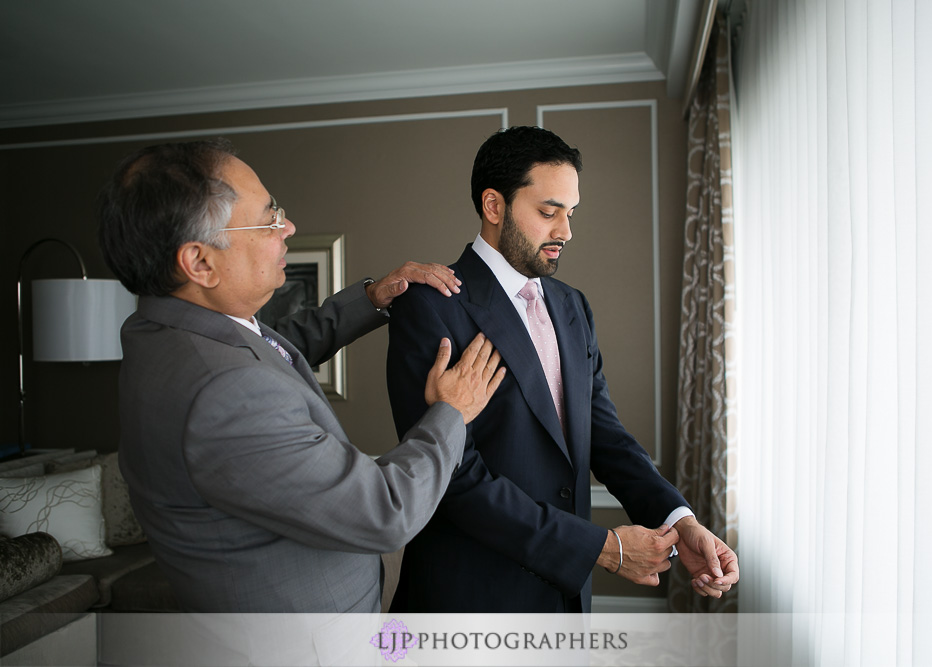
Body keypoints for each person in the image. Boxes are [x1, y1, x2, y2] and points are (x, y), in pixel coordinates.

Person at [96, 138, 505, 614]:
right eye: (269, 218)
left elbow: (266, 346)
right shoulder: (223, 393)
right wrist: (451, 412)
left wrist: (369, 301)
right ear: (200, 262)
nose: (287, 227)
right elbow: (386, 511)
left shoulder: (160, 327)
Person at [386, 126, 739, 612]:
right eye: (548, 212)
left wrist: (681, 521)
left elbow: (605, 435)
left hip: (564, 602)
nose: (565, 232)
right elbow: (453, 479)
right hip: (468, 597)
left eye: (570, 214)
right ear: (494, 206)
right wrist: (602, 549)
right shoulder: (430, 307)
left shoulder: (572, 307)